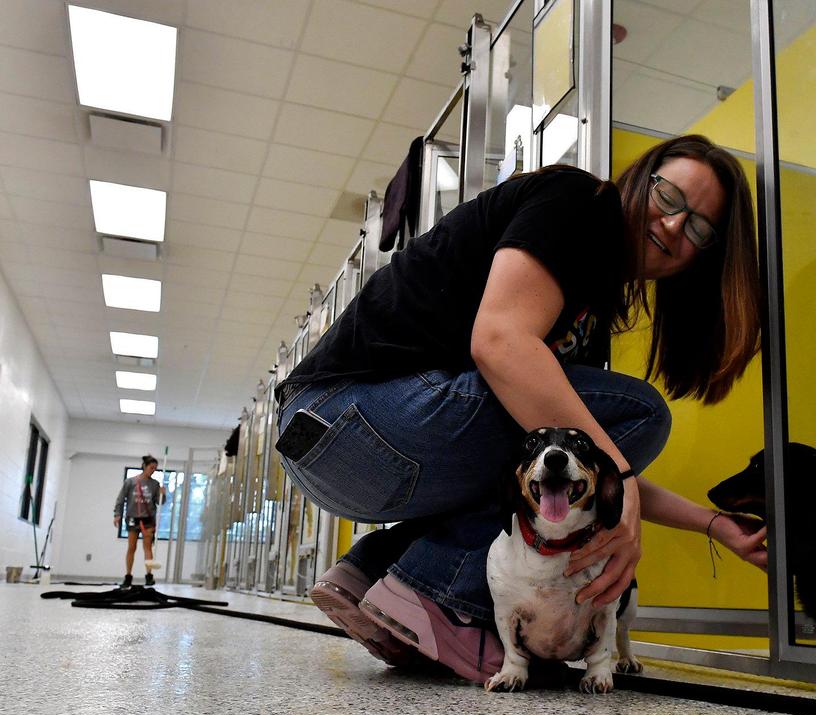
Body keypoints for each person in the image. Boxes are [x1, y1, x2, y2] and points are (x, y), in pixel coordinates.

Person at [274, 134, 770, 682]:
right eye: (669, 197)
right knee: (640, 414)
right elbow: (499, 341)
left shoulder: (586, 309)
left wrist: (712, 524)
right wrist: (621, 474)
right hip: (348, 416)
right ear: (639, 180)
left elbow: (572, 461)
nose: (675, 226)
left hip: (345, 441)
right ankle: (440, 600)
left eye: (698, 228)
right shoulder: (578, 201)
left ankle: (372, 572)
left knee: (541, 452)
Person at [112, 455, 165, 587]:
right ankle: (128, 576)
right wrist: (117, 514)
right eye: (151, 467)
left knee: (147, 547)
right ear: (144, 466)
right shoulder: (130, 482)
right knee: (132, 547)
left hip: (148, 519)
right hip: (132, 518)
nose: (153, 470)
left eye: (155, 469)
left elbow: (160, 502)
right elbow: (121, 499)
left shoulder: (155, 484)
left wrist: (163, 494)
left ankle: (149, 576)